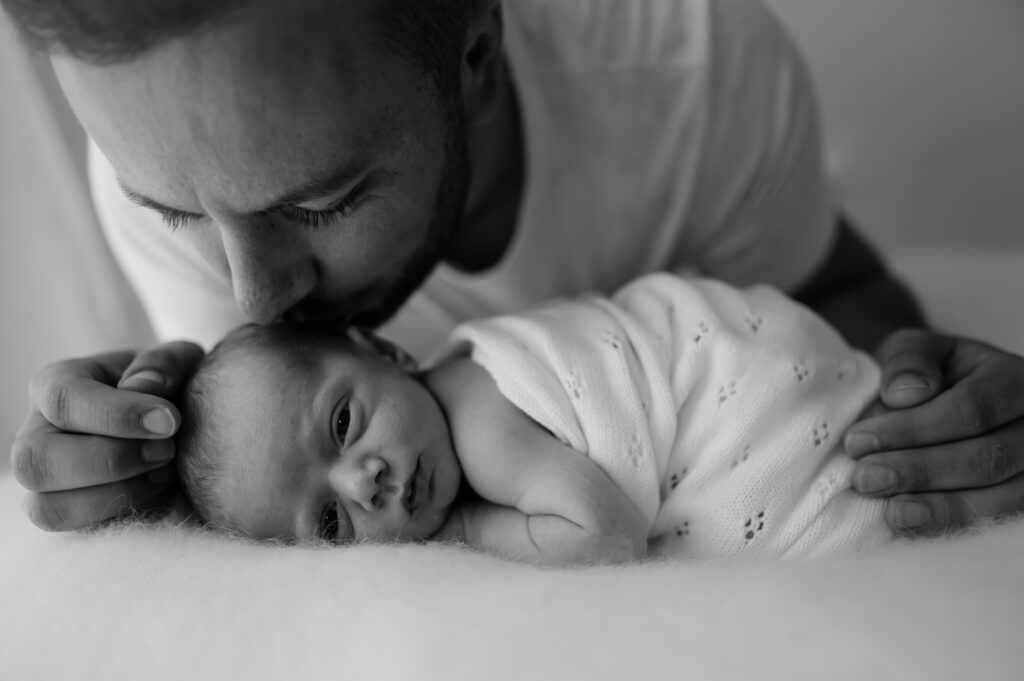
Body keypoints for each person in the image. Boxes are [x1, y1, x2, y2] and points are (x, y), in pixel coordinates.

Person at [6, 0, 1024, 535]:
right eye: (174, 211)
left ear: (476, 58)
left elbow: (839, 295)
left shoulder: (697, 73)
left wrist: (926, 393)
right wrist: (139, 480)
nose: (253, 294)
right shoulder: (152, 167)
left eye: (321, 202)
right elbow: (250, 461)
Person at [175, 273, 896, 565]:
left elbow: (606, 536)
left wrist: (467, 531)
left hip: (750, 398)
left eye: (341, 424)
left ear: (384, 350)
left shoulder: (480, 417)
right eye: (331, 521)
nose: (363, 481)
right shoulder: (442, 405)